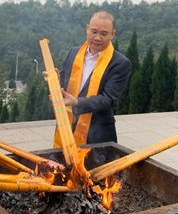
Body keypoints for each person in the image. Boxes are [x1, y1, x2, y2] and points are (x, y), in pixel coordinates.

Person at [56, 11, 131, 145]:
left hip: (98, 133)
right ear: (87, 29)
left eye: (104, 34)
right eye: (94, 31)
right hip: (67, 126)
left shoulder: (120, 63)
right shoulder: (73, 53)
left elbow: (107, 99)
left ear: (112, 34)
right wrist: (54, 81)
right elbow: (63, 87)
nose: (97, 38)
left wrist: (77, 102)